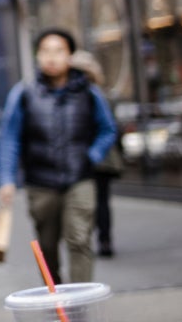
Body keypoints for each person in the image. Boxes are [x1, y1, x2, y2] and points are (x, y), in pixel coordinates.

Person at [0, 29, 117, 284]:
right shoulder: (24, 93)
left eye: (58, 51)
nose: (51, 58)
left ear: (70, 56)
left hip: (80, 179)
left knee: (80, 239)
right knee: (47, 248)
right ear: (38, 56)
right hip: (40, 183)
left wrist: (92, 156)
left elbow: (108, 129)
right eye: (45, 51)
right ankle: (57, 302)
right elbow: (9, 137)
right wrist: (7, 179)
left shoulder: (89, 92)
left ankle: (78, 308)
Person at [68, 49, 121, 259]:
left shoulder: (89, 94)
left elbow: (108, 128)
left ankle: (93, 239)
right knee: (101, 201)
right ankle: (104, 239)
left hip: (91, 157)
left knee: (89, 202)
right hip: (102, 158)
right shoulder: (101, 92)